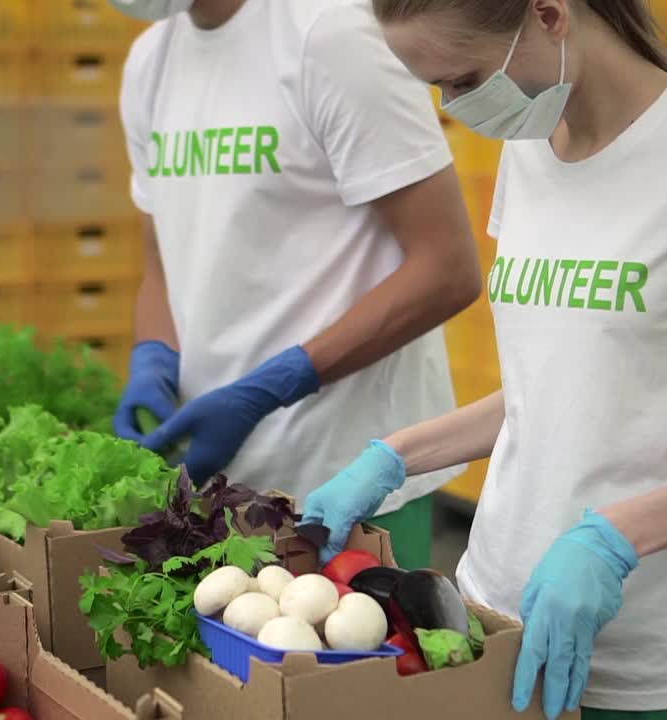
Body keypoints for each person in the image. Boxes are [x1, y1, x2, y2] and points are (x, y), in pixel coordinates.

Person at [301, 0, 667, 717]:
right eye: (437, 86)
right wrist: (397, 456)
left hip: (643, 653)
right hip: (489, 616)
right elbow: (554, 389)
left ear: (549, 15)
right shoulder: (527, 147)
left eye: (465, 78)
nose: (456, 105)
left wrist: (614, 539)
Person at [106, 0, 484, 569]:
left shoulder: (328, 35)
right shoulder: (149, 63)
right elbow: (163, 258)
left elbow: (447, 268)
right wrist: (154, 355)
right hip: (215, 484)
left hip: (347, 485)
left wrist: (277, 384)